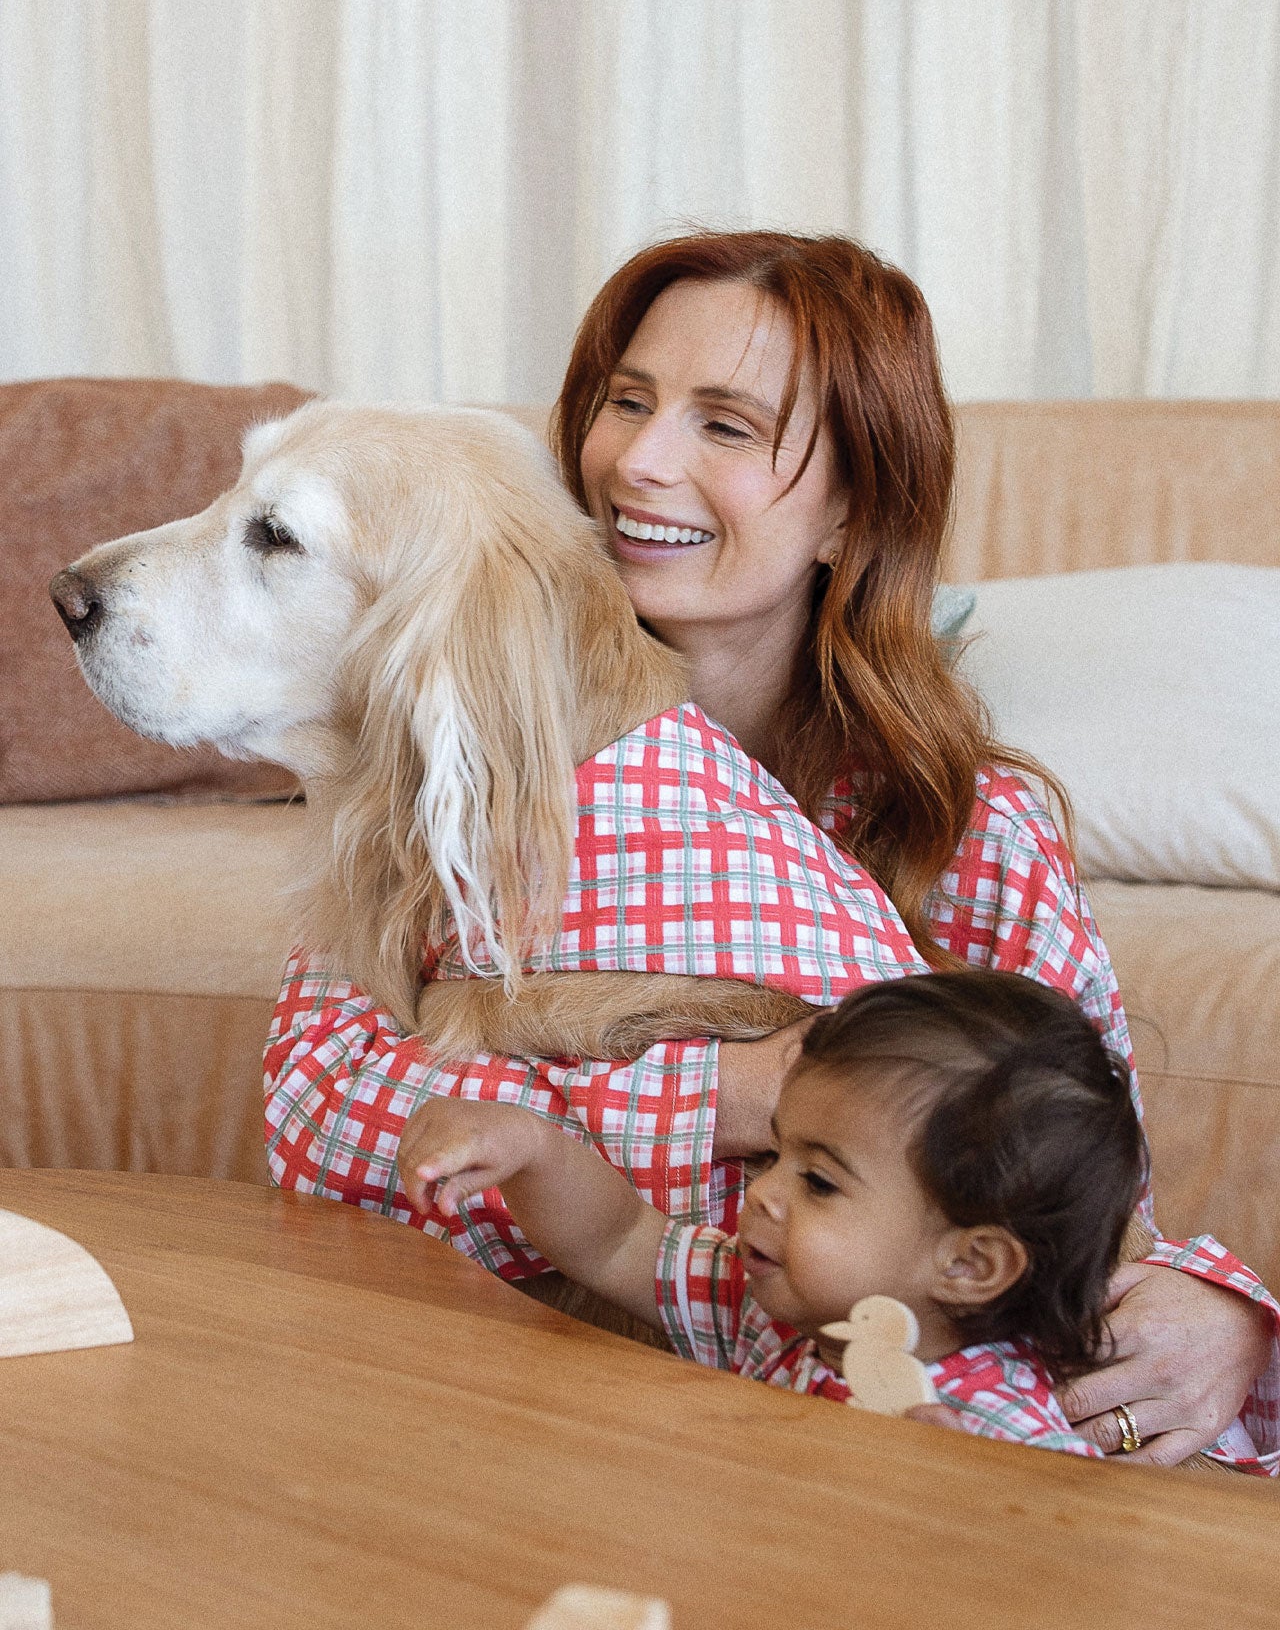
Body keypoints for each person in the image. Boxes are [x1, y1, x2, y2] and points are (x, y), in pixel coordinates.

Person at [265, 230, 1279, 1470]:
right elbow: (322, 1117)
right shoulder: (456, 767)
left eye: (725, 426)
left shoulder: (966, 828)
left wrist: (1227, 1313)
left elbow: (1065, 1190)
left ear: (851, 510)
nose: (637, 461)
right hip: (510, 1423)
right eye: (625, 402)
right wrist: (729, 1096)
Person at [397, 970, 1252, 1460]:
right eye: (777, 1154)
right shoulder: (781, 1317)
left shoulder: (1007, 1438)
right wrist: (529, 1147)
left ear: (968, 1264)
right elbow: (622, 1237)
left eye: (822, 1183)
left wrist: (970, 1515)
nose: (764, 1192)